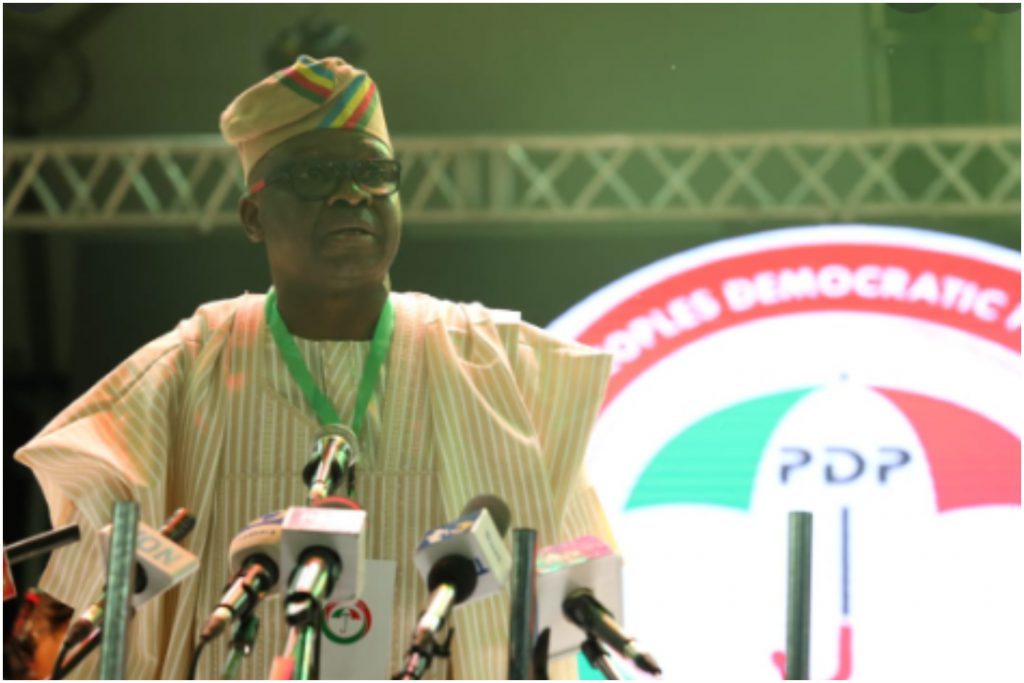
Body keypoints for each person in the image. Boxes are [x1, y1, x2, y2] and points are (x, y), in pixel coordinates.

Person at [14, 55, 615, 680]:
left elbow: (581, 598)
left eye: (373, 173)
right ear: (253, 216)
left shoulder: (495, 364)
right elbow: (73, 618)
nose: (352, 193)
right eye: (314, 174)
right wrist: (27, 647)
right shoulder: (184, 371)